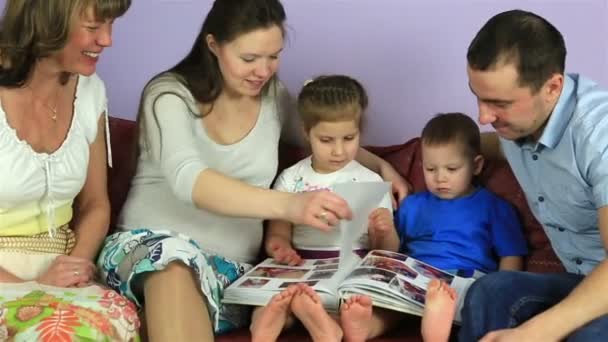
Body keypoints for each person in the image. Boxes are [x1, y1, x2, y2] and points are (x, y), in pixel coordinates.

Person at [96, 1, 409, 341]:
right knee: (173, 264)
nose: (263, 70)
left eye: (273, 56)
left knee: (185, 291)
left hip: (229, 274)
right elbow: (190, 180)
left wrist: (381, 165)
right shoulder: (169, 94)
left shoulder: (273, 96)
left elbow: (323, 132)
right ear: (213, 45)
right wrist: (289, 205)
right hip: (147, 251)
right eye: (249, 59)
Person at [459, 9, 608, 342]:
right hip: (583, 282)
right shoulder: (518, 125)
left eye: (499, 103)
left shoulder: (600, 137)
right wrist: (378, 164)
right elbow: (472, 145)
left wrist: (535, 332)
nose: (484, 116)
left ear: (552, 87)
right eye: (478, 96)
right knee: (490, 291)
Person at [0, 0, 139, 341]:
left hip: (60, 267)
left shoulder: (91, 92)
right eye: (93, 28)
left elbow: (96, 205)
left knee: (118, 319)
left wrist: (74, 269)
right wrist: (30, 287)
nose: (107, 40)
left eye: (110, 25)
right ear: (46, 21)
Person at [249, 75, 397, 342]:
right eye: (327, 140)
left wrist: (383, 231)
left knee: (382, 307)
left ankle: (333, 325)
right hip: (302, 269)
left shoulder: (371, 182)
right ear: (307, 133)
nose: (339, 150)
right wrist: (279, 246)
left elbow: (386, 252)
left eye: (349, 138)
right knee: (272, 301)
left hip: (352, 270)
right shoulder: (291, 178)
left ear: (359, 131)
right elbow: (277, 231)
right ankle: (266, 326)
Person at [370, 113, 528, 342]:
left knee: (461, 301)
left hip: (463, 282)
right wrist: (384, 231)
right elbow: (392, 251)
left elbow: (511, 256)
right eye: (430, 169)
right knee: (384, 307)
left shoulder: (495, 207)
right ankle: (362, 327)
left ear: (476, 166)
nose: (440, 178)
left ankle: (436, 327)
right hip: (412, 280)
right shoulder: (412, 205)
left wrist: (502, 294)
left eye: (451, 169)